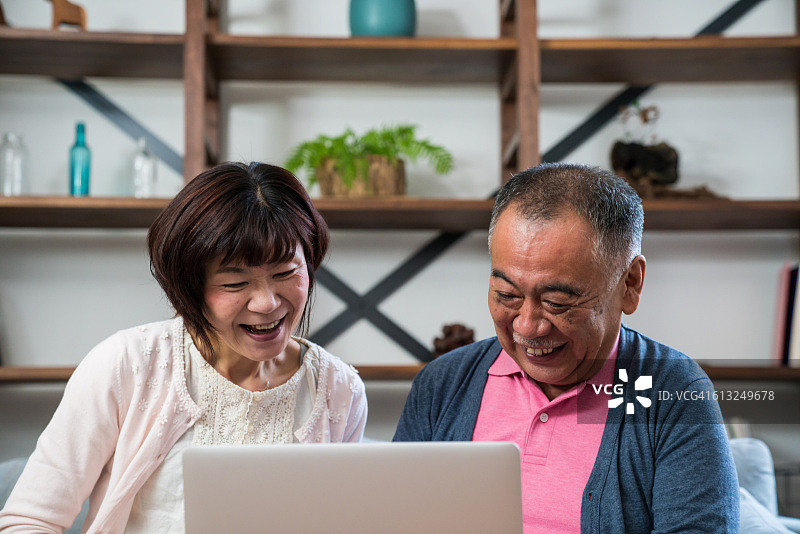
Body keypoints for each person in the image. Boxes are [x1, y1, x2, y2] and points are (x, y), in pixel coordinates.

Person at [0, 162, 368, 532]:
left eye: (285, 273)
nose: (266, 303)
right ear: (190, 288)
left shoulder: (339, 389)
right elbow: (28, 521)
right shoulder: (127, 363)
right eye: (235, 283)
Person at [394, 162, 738, 533]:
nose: (527, 326)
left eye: (557, 302)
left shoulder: (674, 393)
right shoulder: (442, 385)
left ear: (630, 283)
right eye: (507, 295)